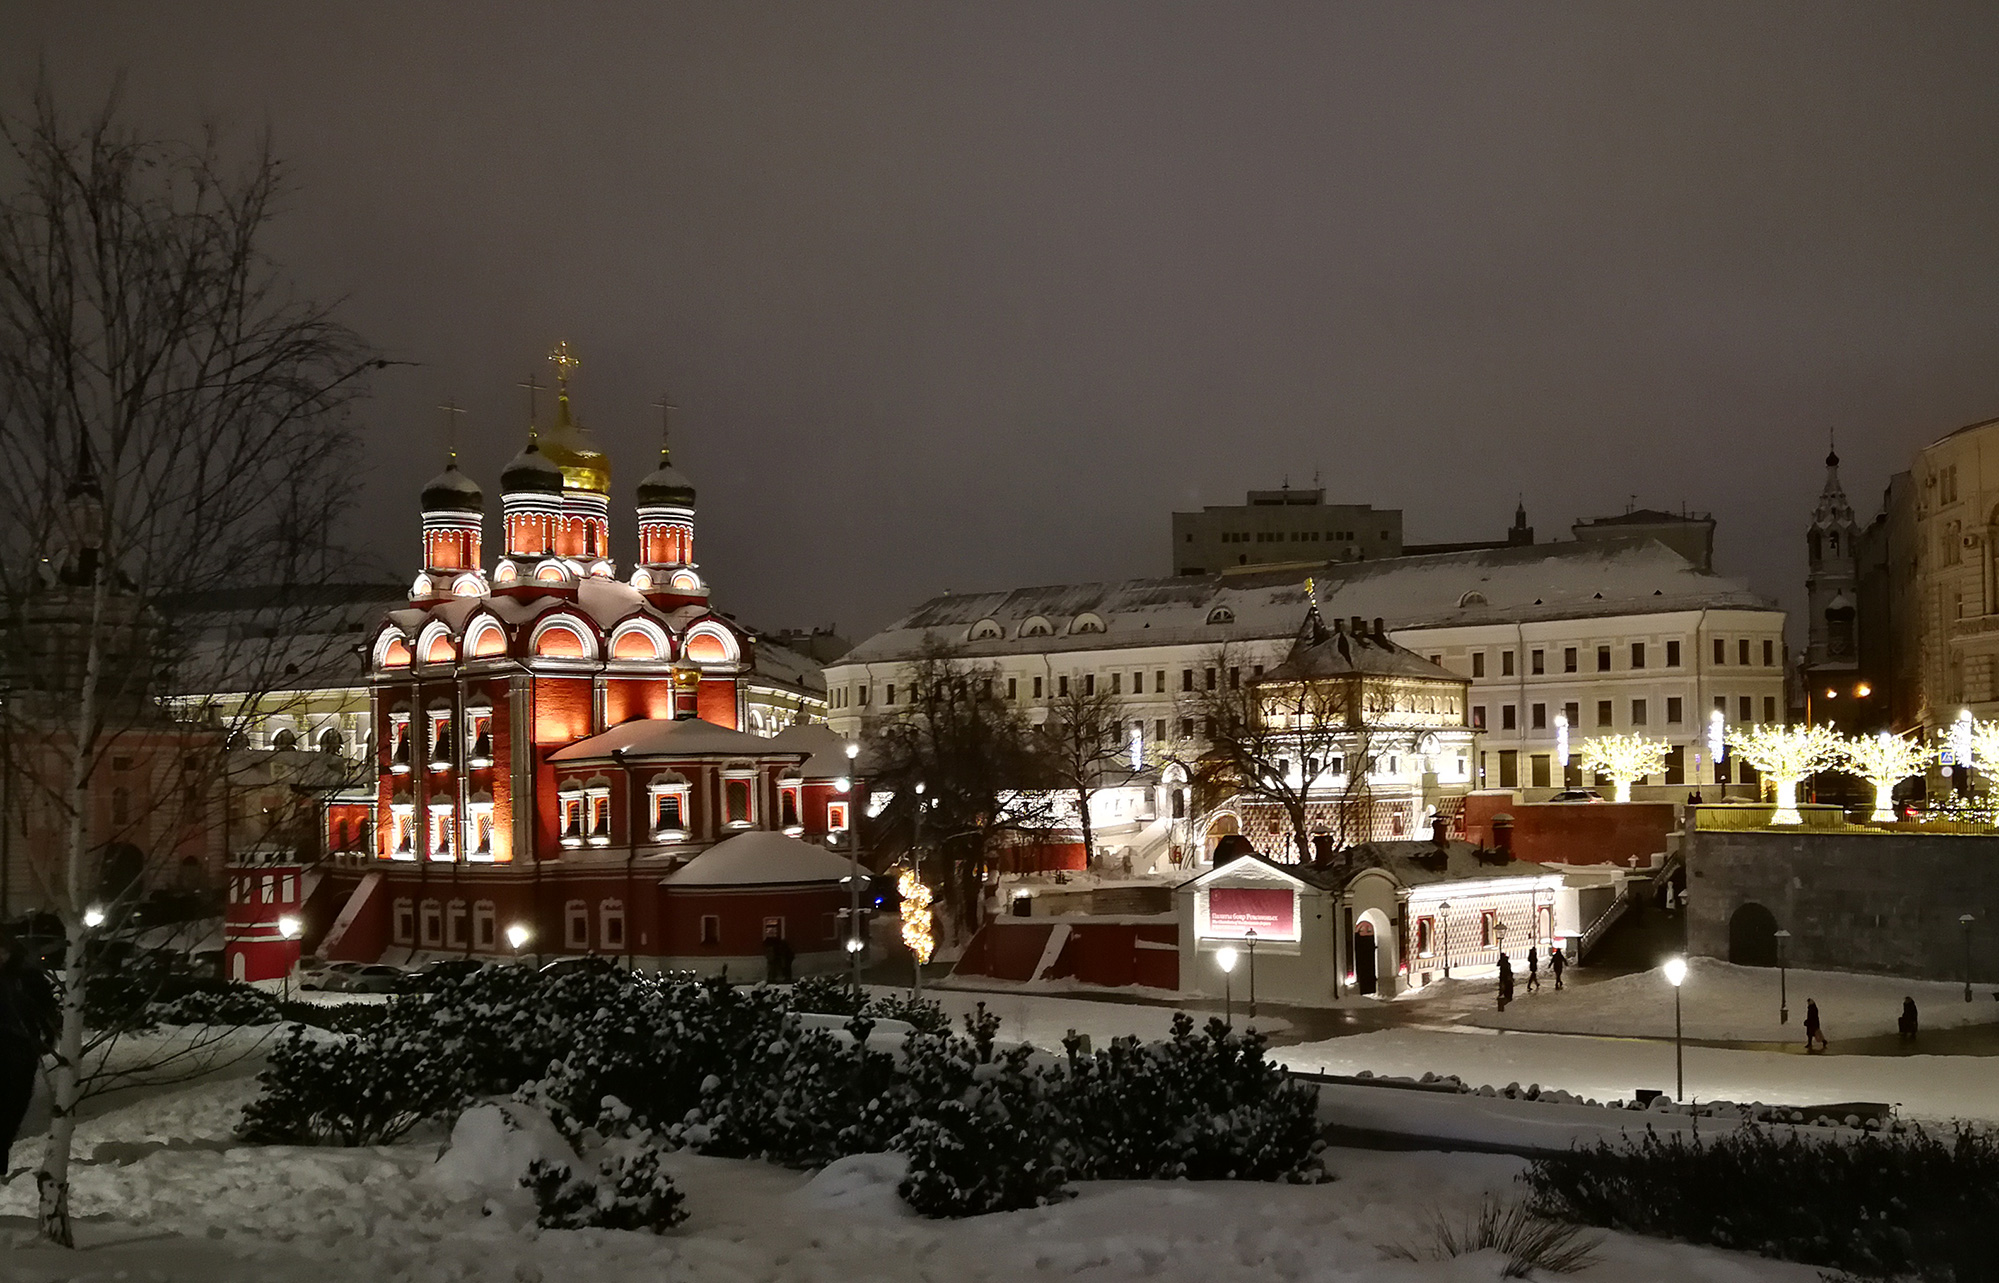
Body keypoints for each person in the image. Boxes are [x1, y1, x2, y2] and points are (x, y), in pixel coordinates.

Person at [0, 927, 57, 1178]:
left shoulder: (27, 977)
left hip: (21, 1050)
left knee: (12, 1109)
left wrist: (46, 1036)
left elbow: (47, 1011)